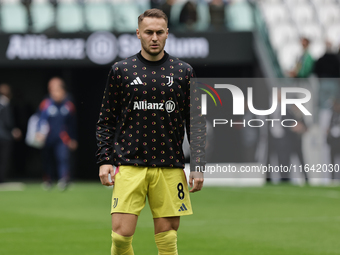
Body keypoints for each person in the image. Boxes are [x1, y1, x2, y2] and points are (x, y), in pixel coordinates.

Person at [96, 9, 205, 255]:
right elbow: (106, 121)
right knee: (120, 237)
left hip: (169, 167)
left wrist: (198, 164)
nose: (154, 37)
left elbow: (196, 123)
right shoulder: (121, 71)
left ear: (167, 34)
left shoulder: (183, 72)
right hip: (129, 165)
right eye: (148, 32)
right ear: (138, 34)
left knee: (167, 241)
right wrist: (104, 160)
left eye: (159, 32)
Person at [36, 77, 77, 190]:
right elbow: (39, 119)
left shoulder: (68, 104)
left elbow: (72, 124)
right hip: (48, 137)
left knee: (63, 158)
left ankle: (64, 179)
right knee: (47, 159)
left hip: (62, 138)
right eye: (52, 91)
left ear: (63, 91)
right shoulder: (46, 103)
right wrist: (38, 132)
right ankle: (48, 180)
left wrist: (73, 138)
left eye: (57, 90)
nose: (55, 93)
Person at [0, 84, 22, 183]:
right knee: (4, 159)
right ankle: (1, 179)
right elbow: (8, 122)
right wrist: (14, 130)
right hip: (5, 137)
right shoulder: (6, 104)